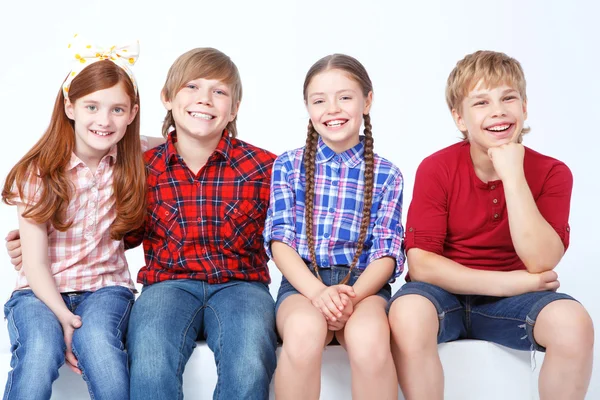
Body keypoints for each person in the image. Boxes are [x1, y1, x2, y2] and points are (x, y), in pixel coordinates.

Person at [387, 50, 594, 400]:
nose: (498, 110)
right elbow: (422, 264)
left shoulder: (553, 173)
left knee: (574, 324)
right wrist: (509, 282)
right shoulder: (437, 168)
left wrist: (513, 175)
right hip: (443, 295)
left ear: (524, 107)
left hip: (513, 304)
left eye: (508, 98)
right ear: (460, 118)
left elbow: (541, 262)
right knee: (407, 313)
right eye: (481, 102)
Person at [122, 47, 278, 400]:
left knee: (250, 358)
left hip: (242, 287)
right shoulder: (144, 168)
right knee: (149, 355)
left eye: (219, 92)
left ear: (234, 108)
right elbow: (119, 233)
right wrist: (48, 238)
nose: (204, 99)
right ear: (167, 97)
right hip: (167, 285)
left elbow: (293, 233)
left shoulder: (264, 167)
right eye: (191, 87)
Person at [1, 36, 145, 400]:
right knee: (37, 354)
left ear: (131, 113)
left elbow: (177, 141)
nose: (103, 120)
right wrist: (63, 318)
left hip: (107, 289)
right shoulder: (39, 172)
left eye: (117, 109)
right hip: (38, 292)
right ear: (69, 106)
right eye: (92, 106)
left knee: (100, 347)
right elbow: (33, 264)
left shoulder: (133, 160)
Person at [264, 54, 404, 400]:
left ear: (366, 101)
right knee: (302, 334)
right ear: (308, 108)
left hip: (363, 287)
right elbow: (280, 240)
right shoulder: (289, 165)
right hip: (303, 284)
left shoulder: (387, 174)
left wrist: (350, 297)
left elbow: (388, 252)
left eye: (345, 97)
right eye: (319, 100)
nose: (333, 109)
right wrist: (318, 294)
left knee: (370, 341)